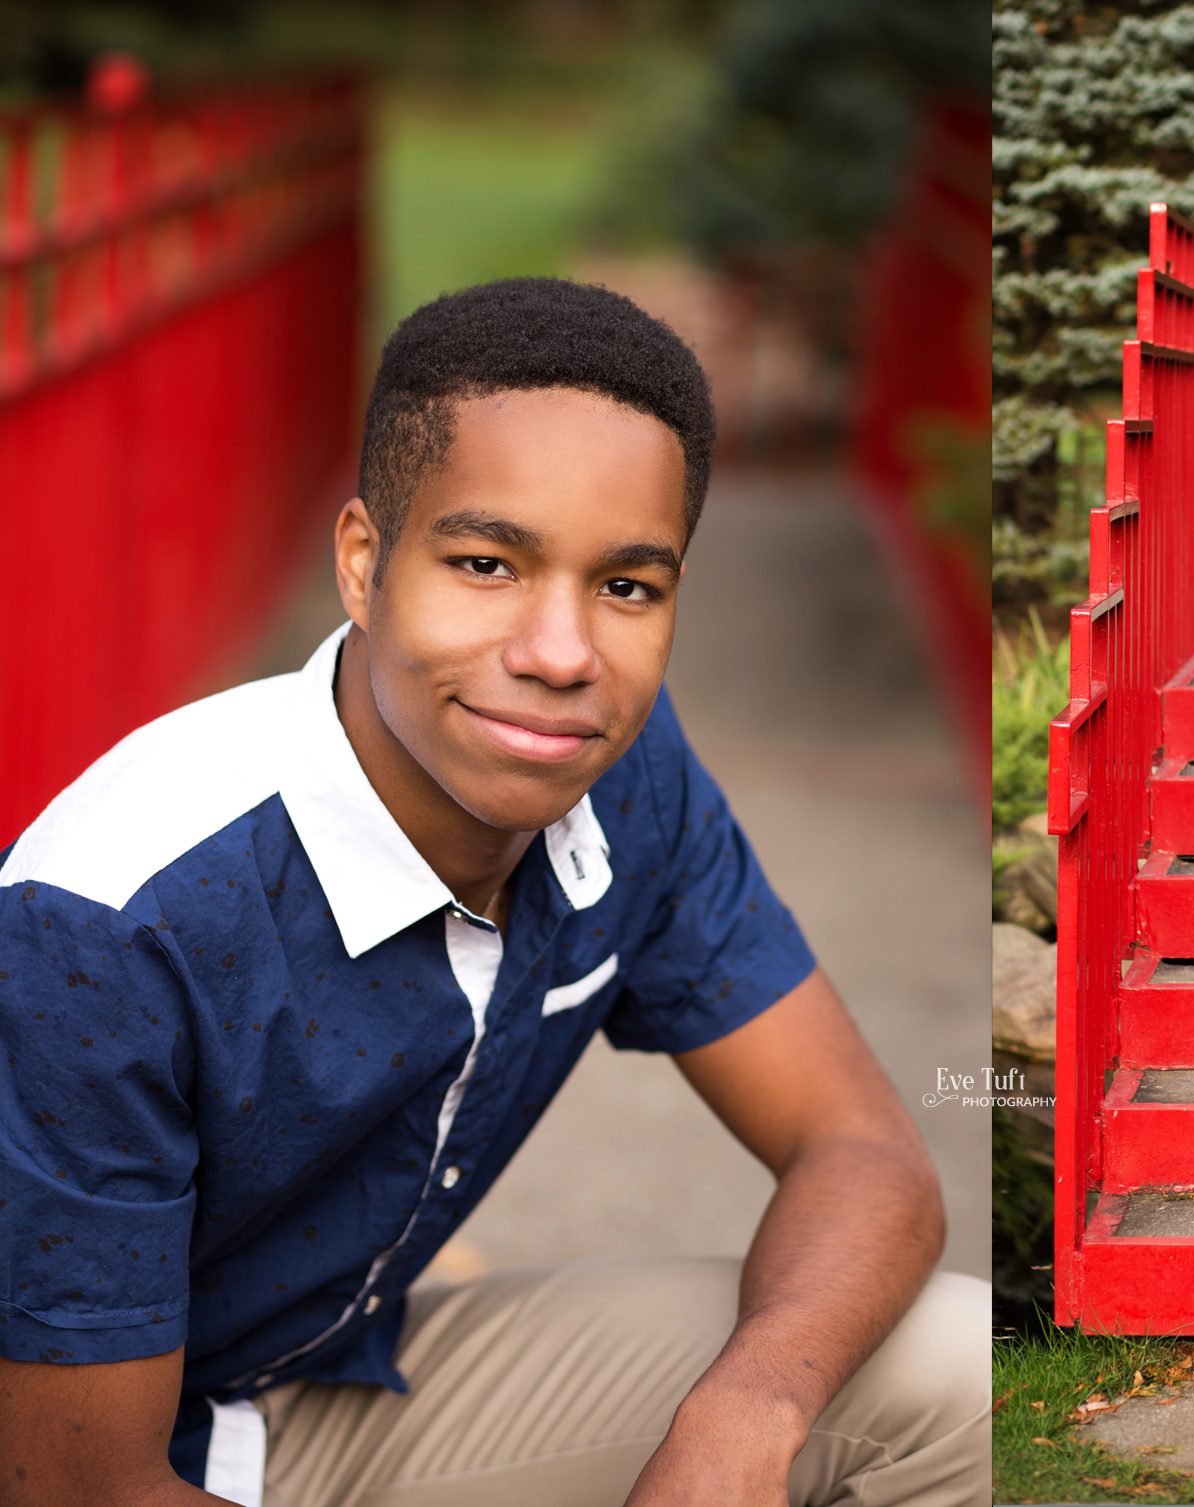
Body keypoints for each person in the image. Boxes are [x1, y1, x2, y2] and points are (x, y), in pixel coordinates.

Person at [0, 278, 989, 1507]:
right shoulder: (109, 919)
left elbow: (864, 1151)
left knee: (952, 1376)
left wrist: (743, 1418)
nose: (561, 654)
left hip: (335, 1380)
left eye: (627, 586)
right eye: (485, 563)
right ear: (364, 563)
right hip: (115, 1450)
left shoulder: (628, 784)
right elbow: (76, 1490)